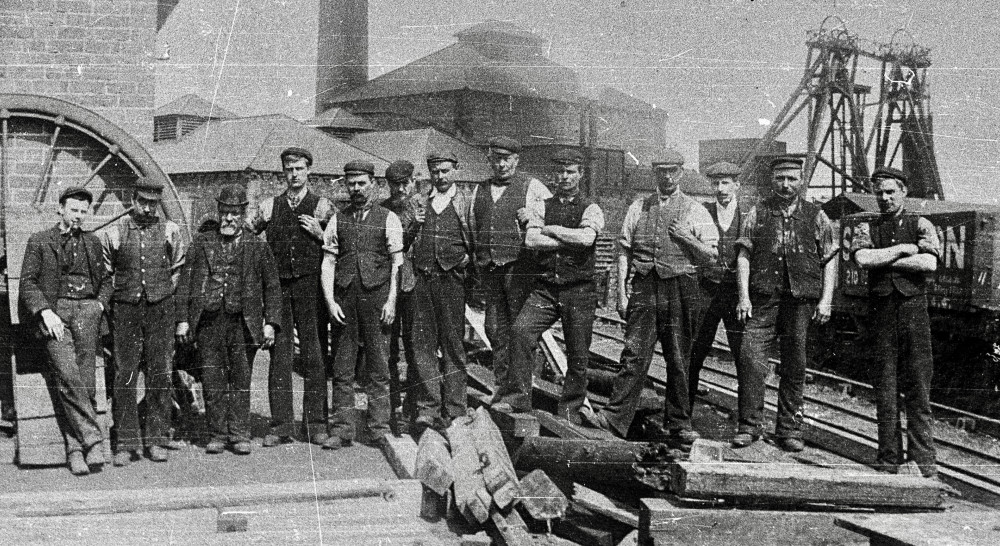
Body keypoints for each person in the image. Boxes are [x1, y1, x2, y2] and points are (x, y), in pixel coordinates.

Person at [582, 150, 718, 443]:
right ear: (654, 173)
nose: (667, 177)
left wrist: (686, 238)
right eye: (661, 171)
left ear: (681, 172)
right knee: (633, 355)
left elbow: (712, 255)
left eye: (672, 171)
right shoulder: (638, 207)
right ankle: (614, 418)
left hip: (681, 288)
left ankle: (679, 423)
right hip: (644, 288)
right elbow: (623, 251)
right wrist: (621, 294)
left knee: (679, 357)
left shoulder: (696, 210)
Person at [733, 154, 837, 452]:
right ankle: (749, 427)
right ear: (772, 180)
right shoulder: (758, 212)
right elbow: (744, 256)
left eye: (792, 178)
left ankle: (789, 430)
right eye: (780, 178)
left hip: (800, 301)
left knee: (795, 364)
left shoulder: (816, 215)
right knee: (751, 360)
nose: (786, 184)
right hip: (763, 299)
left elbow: (830, 259)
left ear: (801, 180)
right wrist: (743, 296)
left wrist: (826, 300)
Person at [175, 184, 282, 455]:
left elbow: (272, 287)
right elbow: (185, 282)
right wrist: (183, 320)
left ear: (243, 213)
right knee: (212, 377)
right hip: (209, 321)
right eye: (224, 212)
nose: (229, 218)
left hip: (243, 322)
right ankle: (217, 434)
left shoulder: (258, 246)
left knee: (241, 377)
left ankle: (239, 433)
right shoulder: (202, 243)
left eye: (234, 213)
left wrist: (270, 322)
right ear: (218, 211)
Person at [852, 167, 939, 477]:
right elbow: (862, 259)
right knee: (885, 390)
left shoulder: (921, 223)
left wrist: (884, 258)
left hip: (914, 313)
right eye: (880, 192)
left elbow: (928, 262)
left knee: (917, 387)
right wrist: (903, 249)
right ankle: (888, 460)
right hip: (882, 314)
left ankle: (923, 464)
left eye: (890, 191)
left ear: (903, 191)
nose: (885, 198)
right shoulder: (867, 226)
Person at [20, 186, 112, 475]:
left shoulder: (93, 243)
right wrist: (45, 311)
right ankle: (93, 439)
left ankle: (75, 449)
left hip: (87, 312)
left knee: (84, 380)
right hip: (55, 314)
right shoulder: (40, 241)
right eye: (74, 210)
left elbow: (107, 280)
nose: (79, 216)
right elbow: (27, 283)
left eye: (84, 211)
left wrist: (99, 304)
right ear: (61, 209)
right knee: (66, 374)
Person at [510, 149, 605, 423]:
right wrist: (567, 239)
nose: (564, 177)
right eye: (560, 172)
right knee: (520, 332)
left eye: (570, 172)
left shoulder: (591, 207)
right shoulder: (543, 204)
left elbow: (587, 239)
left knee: (577, 353)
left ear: (580, 174)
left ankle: (570, 410)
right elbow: (531, 241)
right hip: (547, 288)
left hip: (579, 290)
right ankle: (519, 400)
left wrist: (549, 229)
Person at [247, 147, 333, 446]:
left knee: (315, 354)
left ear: (308, 170)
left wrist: (322, 234)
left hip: (311, 288)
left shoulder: (322, 206)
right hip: (279, 288)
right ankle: (281, 425)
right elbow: (247, 236)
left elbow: (341, 244)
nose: (294, 174)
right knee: (280, 357)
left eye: (299, 169)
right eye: (289, 169)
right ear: (283, 172)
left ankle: (316, 425)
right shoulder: (270, 206)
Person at [102, 178, 186, 465]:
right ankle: (126, 443)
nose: (148, 209)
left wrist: (162, 294)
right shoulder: (115, 232)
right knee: (124, 374)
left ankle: (157, 439)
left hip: (160, 310)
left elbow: (177, 269)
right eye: (143, 202)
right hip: (126, 311)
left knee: (160, 373)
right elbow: (106, 272)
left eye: (153, 204)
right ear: (133, 200)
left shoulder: (170, 231)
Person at [321, 160, 404, 450]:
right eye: (351, 183)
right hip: (345, 301)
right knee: (342, 367)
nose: (356, 188)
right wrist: (330, 300)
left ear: (373, 184)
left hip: (377, 300)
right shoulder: (337, 219)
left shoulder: (388, 218)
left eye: (361, 183)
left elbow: (397, 264)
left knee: (378, 367)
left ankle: (378, 428)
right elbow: (328, 262)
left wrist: (392, 300)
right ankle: (343, 429)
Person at [469, 135, 551, 413]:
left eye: (507, 159)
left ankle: (519, 395)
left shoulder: (533, 187)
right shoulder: (479, 190)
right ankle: (502, 389)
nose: (501, 164)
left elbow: (553, 218)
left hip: (519, 269)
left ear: (516, 160)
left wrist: (535, 219)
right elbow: (473, 226)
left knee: (519, 332)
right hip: (490, 269)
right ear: (490, 159)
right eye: (496, 159)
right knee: (494, 329)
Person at [409, 150, 473, 432]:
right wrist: (415, 222)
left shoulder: (465, 202)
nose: (441, 176)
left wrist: (465, 261)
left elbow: (476, 237)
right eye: (435, 172)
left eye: (446, 171)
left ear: (455, 170)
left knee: (453, 345)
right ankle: (428, 409)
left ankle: (456, 408)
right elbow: (407, 236)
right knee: (423, 345)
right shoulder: (422, 201)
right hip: (423, 279)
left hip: (452, 282)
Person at [688, 161, 748, 404]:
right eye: (716, 183)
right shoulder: (702, 211)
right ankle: (683, 415)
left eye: (726, 183)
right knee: (694, 352)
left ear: (737, 185)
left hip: (736, 294)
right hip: (706, 291)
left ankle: (746, 420)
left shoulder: (747, 215)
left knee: (744, 357)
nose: (721, 188)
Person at [381, 159, 420, 430]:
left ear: (414, 181)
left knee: (418, 348)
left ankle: (414, 407)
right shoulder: (382, 210)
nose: (401, 189)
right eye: (396, 185)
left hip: (418, 284)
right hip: (391, 285)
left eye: (405, 183)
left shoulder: (426, 207)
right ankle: (393, 406)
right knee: (390, 349)